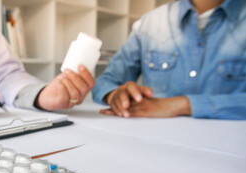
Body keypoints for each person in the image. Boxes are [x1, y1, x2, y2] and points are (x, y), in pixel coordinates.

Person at [92, 0, 246, 120]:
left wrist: (183, 105)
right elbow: (105, 81)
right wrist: (115, 96)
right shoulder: (150, 23)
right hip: (153, 141)